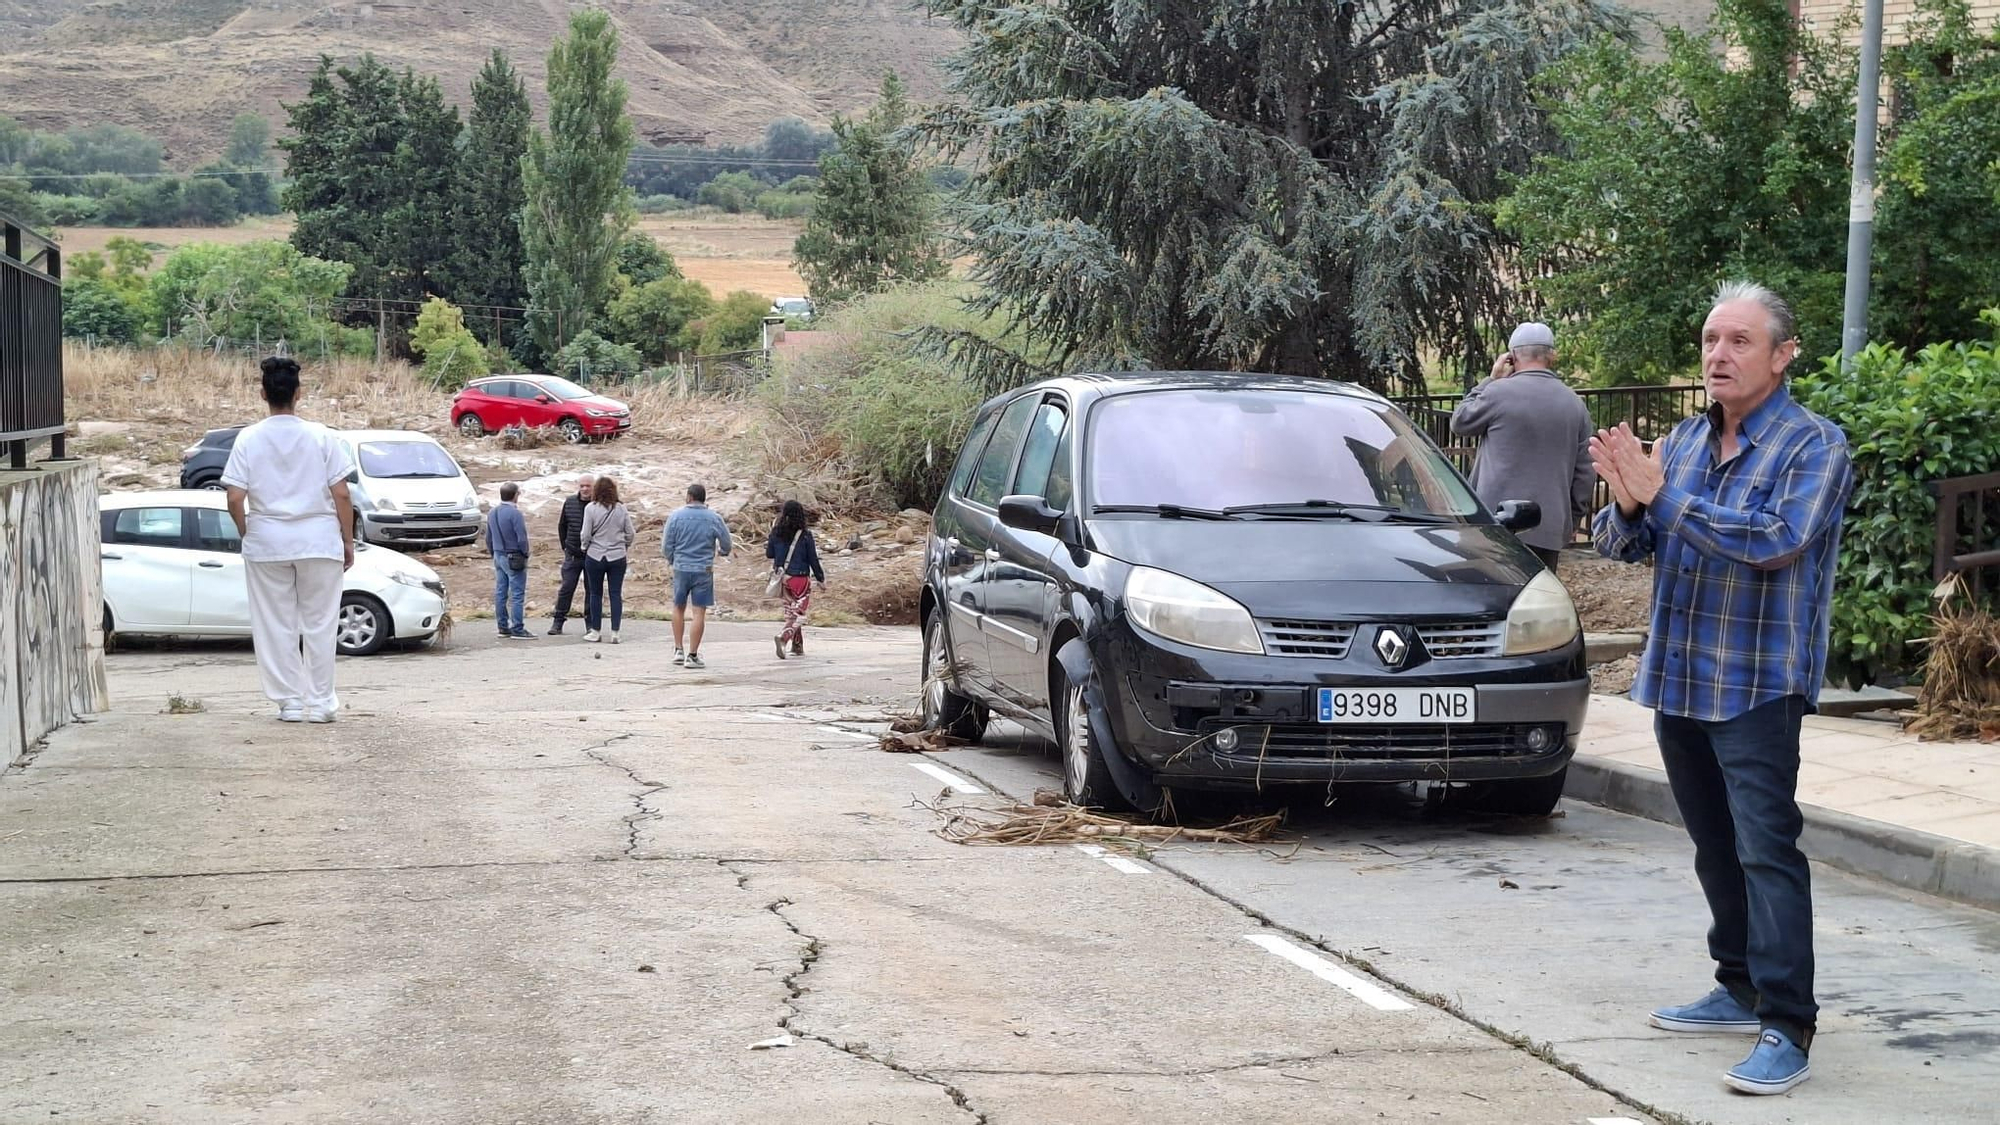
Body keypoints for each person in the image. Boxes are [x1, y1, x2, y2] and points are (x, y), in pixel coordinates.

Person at [1591, 281, 1852, 1097]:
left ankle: (1788, 1021)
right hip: (1681, 676)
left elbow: (1774, 541)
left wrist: (1661, 496)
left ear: (1782, 355)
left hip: (1757, 686)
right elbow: (1619, 542)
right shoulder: (1684, 439)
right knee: (1713, 845)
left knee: (1767, 850)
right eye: (1711, 338)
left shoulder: (1815, 446)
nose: (1718, 354)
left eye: (1740, 340)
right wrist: (1631, 504)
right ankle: (1736, 983)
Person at [221, 356, 357, 724]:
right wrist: (347, 539)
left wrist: (246, 530)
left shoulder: (248, 437)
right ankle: (322, 702)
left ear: (263, 393)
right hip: (318, 538)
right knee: (320, 623)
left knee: (274, 623)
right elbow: (342, 495)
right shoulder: (323, 436)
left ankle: (289, 703)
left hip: (267, 540)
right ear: (299, 393)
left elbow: (235, 498)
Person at [1449, 322, 1596, 570]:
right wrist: (1571, 518)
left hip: (1493, 525)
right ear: (1552, 356)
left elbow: (1460, 422)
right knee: (1537, 600)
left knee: (1491, 598)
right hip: (1548, 526)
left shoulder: (1497, 393)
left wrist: (1490, 380)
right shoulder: (1575, 404)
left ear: (1512, 357)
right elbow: (1585, 471)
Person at [661, 482, 732, 669]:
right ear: (703, 498)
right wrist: (721, 552)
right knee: (699, 611)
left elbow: (666, 545)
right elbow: (726, 543)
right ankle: (692, 654)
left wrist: (672, 559)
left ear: (689, 497)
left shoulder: (676, 516)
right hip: (703, 569)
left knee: (678, 607)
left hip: (681, 567)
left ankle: (678, 649)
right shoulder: (713, 518)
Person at [765, 499, 826, 660]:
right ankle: (784, 637)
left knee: (791, 612)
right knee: (799, 614)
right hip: (801, 579)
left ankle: (797, 646)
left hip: (784, 579)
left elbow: (769, 554)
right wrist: (820, 578)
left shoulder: (776, 532)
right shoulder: (805, 535)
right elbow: (813, 559)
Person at [579, 475, 636, 644]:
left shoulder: (590, 508)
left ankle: (595, 631)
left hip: (595, 555)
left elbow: (586, 533)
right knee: (615, 594)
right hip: (617, 555)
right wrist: (624, 546)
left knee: (595, 593)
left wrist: (585, 547)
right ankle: (615, 632)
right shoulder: (621, 509)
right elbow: (631, 533)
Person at [549, 474, 594, 635]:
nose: (585, 489)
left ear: (593, 487)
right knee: (566, 589)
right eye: (582, 486)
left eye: (588, 486)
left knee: (592, 591)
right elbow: (562, 526)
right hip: (572, 555)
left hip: (592, 556)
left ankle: (591, 625)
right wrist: (565, 547)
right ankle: (558, 622)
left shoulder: (598, 505)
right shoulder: (570, 502)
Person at [488, 482, 532, 640]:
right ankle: (518, 628)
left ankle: (502, 626)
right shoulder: (515, 514)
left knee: (501, 592)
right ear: (515, 495)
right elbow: (521, 537)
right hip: (513, 556)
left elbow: (489, 537)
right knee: (517, 594)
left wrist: (493, 552)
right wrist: (525, 553)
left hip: (498, 555)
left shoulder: (492, 512)